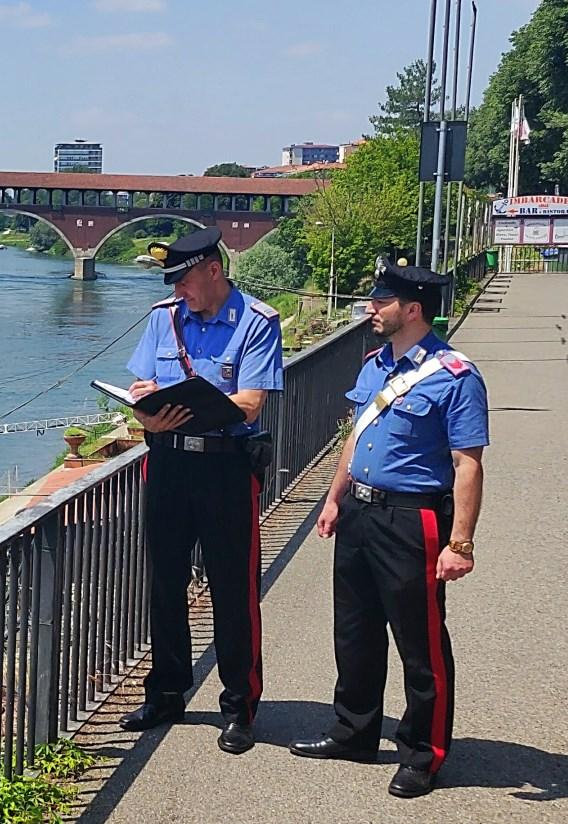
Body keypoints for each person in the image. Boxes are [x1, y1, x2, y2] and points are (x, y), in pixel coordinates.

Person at [290, 259, 488, 798]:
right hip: (359, 510)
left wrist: (460, 543)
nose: (370, 309)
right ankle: (354, 731)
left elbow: (467, 463)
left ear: (413, 309)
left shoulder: (456, 376)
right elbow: (354, 438)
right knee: (354, 631)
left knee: (419, 642)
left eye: (381, 301)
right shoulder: (375, 365)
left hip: (412, 518)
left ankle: (424, 752)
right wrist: (333, 500)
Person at [121, 226, 284, 755]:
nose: (178, 290)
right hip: (167, 464)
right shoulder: (162, 318)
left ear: (213, 269)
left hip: (224, 471)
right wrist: (145, 400)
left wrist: (179, 407)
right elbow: (140, 385)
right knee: (164, 586)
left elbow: (250, 404)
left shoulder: (256, 323)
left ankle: (239, 705)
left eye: (185, 279)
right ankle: (167, 692)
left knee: (232, 591)